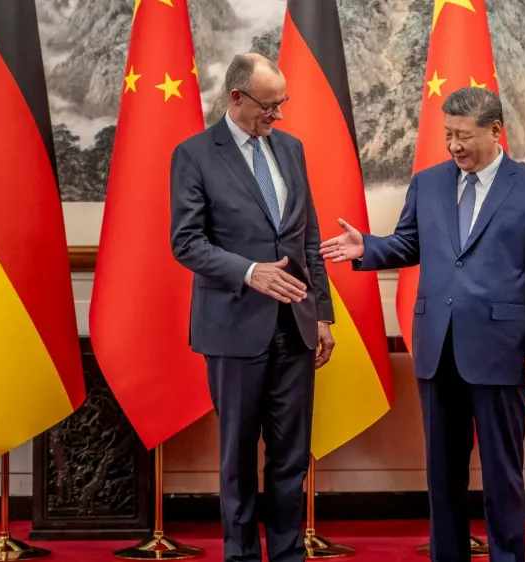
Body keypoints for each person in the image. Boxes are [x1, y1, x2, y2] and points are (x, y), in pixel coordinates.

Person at [321, 87, 525, 562]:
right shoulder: (428, 183)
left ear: (496, 132)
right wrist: (366, 248)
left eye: (463, 136)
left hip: (502, 350)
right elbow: (409, 243)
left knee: (502, 473)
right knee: (443, 473)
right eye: (447, 135)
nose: (453, 146)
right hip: (437, 348)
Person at [169, 52, 335, 562]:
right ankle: (240, 555)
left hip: (296, 328)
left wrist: (322, 313)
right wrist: (249, 271)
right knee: (239, 456)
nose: (278, 115)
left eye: (282, 103)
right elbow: (187, 241)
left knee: (290, 455)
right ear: (236, 97)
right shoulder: (195, 153)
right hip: (235, 328)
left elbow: (307, 237)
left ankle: (287, 554)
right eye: (269, 105)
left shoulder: (291, 149)